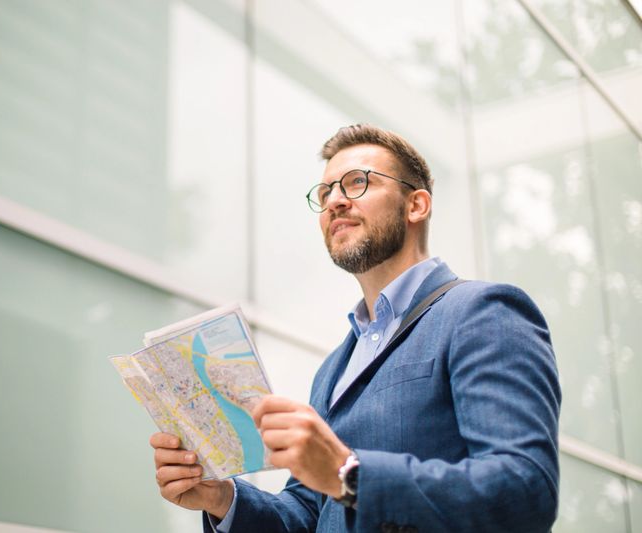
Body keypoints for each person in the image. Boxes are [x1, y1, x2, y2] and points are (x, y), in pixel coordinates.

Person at [150, 124, 561, 532]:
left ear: (416, 205)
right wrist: (223, 497)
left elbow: (524, 491)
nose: (334, 202)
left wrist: (349, 474)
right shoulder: (333, 369)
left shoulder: (483, 312)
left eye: (356, 183)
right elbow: (311, 514)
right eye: (326, 192)